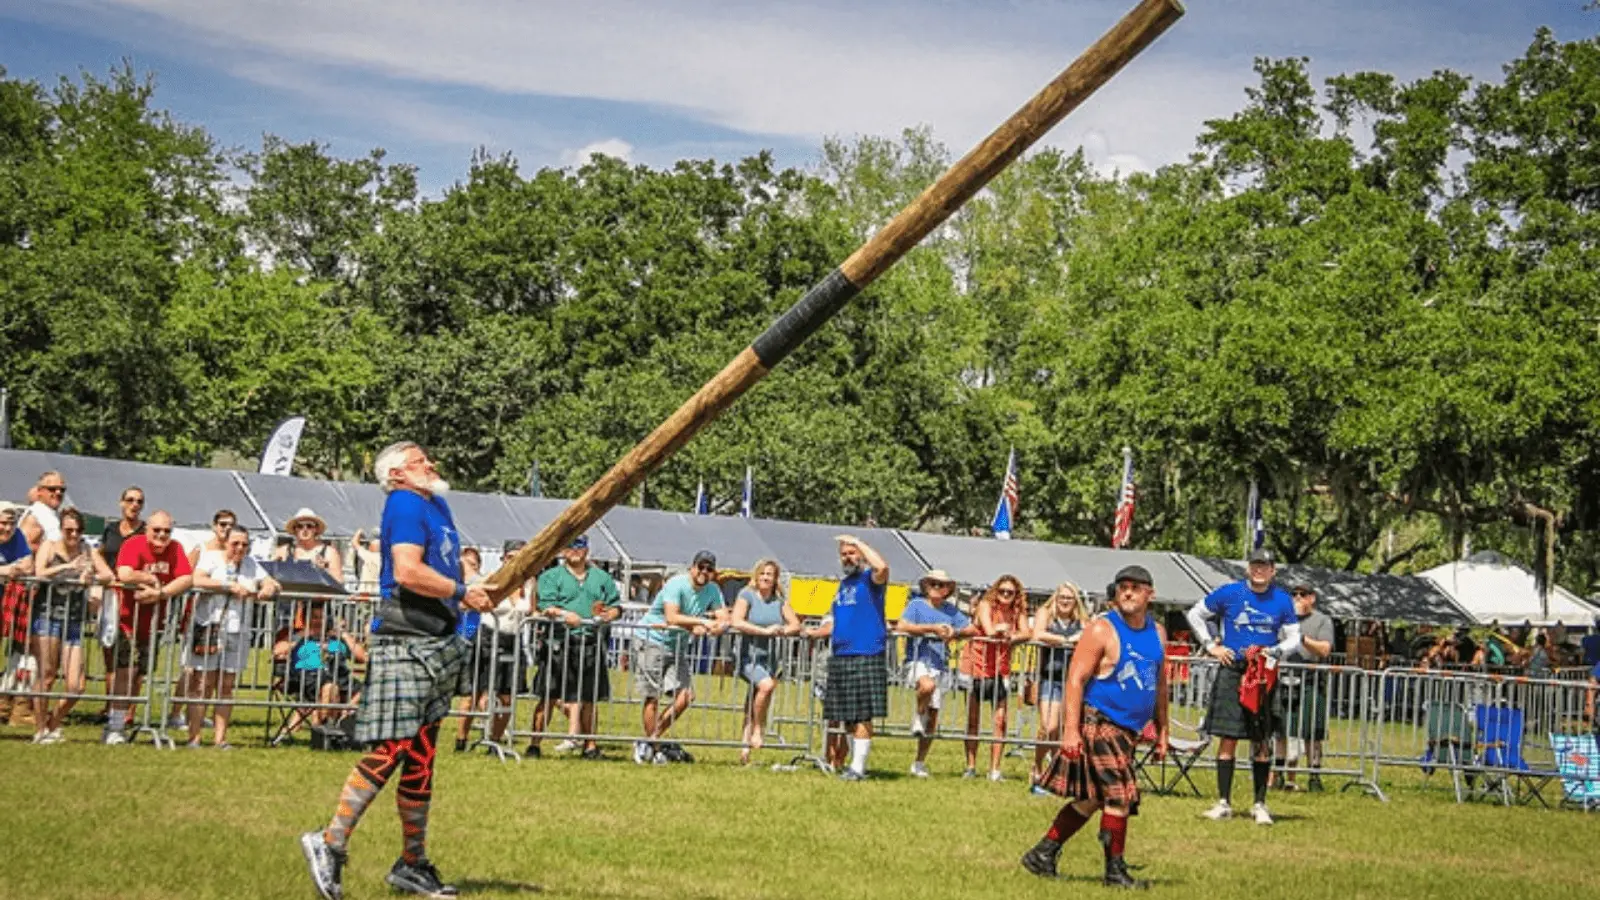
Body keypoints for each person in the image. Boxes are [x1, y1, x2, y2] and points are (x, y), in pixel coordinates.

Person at [301, 441, 493, 900]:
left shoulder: (435, 503)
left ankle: (412, 863)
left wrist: (466, 590)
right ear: (397, 475)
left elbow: (441, 566)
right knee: (394, 746)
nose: (432, 462)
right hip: (406, 638)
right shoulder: (405, 504)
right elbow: (407, 571)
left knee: (421, 753)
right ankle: (329, 841)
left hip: (436, 637)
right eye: (420, 460)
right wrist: (461, 591)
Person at [1021, 565, 1167, 889]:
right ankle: (1115, 872)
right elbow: (1075, 679)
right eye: (1122, 586)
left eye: (1136, 587)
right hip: (1099, 722)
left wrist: (1163, 730)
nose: (1127, 592)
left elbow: (1160, 684)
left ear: (1150, 594)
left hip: (1128, 730)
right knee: (1119, 797)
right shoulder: (1102, 629)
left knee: (1091, 799)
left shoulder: (1157, 633)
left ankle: (1042, 854)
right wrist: (1070, 731)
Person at [1185, 547, 1301, 825]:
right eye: (1255, 565)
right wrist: (1212, 645)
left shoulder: (1282, 600)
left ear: (1273, 570)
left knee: (1262, 738)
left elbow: (1295, 637)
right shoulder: (1230, 593)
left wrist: (1275, 651)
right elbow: (1195, 614)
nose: (1259, 570)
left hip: (1263, 672)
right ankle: (1224, 802)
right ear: (1249, 568)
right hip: (1232, 667)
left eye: (1265, 565)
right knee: (1228, 736)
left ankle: (1260, 804)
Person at [529, 535, 622, 760]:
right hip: (558, 643)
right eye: (569, 545)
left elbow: (616, 606)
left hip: (590, 643)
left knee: (589, 698)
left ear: (587, 549)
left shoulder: (601, 577)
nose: (575, 550)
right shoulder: (551, 576)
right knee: (549, 696)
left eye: (579, 545)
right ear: (562, 550)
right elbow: (545, 606)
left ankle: (590, 746)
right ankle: (534, 744)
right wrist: (563, 614)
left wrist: (610, 614)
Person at [187, 525, 280, 749]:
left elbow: (271, 582)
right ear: (225, 542)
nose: (240, 548)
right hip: (210, 626)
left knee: (227, 685)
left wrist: (268, 587)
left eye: (244, 544)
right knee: (203, 683)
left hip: (238, 631)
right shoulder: (210, 558)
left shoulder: (251, 564)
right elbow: (196, 579)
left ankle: (220, 739)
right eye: (235, 544)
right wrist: (227, 586)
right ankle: (194, 737)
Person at [632, 549, 728, 765]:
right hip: (652, 640)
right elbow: (671, 616)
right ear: (692, 568)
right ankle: (654, 748)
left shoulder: (713, 589)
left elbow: (724, 618)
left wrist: (716, 628)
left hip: (677, 646)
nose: (704, 572)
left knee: (686, 696)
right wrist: (701, 623)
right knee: (652, 696)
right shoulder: (677, 584)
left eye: (709, 568)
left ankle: (650, 741)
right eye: (700, 567)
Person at [106, 510, 194, 744]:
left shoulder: (175, 548)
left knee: (139, 674)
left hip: (153, 623)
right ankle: (113, 726)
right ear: (147, 530)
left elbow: (186, 578)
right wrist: (149, 579)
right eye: (157, 530)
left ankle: (125, 720)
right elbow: (123, 572)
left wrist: (161, 593)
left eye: (166, 531)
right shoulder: (133, 545)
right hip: (126, 619)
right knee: (126, 671)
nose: (161, 535)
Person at [28, 508, 113, 743]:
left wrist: (91, 577)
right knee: (46, 675)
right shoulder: (50, 546)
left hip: (74, 619)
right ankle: (40, 729)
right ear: (61, 530)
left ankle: (52, 723)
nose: (73, 535)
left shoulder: (88, 549)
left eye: (77, 530)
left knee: (76, 685)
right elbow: (39, 572)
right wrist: (67, 568)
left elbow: (108, 575)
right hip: (47, 616)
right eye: (69, 530)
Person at [821, 535, 890, 781]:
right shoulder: (844, 585)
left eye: (852, 553)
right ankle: (853, 765)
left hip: (866, 652)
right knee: (848, 715)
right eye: (844, 554)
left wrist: (858, 542)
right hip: (842, 654)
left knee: (862, 714)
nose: (848, 557)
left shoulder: (870, 580)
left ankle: (858, 768)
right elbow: (833, 620)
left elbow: (882, 567)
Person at [895, 569, 974, 778]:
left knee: (934, 715)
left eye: (942, 585)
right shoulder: (916, 605)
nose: (937, 588)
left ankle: (919, 762)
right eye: (933, 584)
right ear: (926, 586)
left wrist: (954, 632)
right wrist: (931, 628)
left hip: (941, 663)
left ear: (949, 589)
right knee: (926, 687)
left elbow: (972, 629)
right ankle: (919, 713)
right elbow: (902, 625)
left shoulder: (951, 611)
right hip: (917, 659)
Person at [730, 557, 801, 765]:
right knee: (766, 686)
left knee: (754, 700)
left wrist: (782, 630)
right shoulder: (747, 595)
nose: (765, 577)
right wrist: (763, 631)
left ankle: (744, 752)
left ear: (775, 578)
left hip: (770, 657)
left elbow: (796, 624)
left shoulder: (779, 601)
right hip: (747, 656)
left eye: (769, 574)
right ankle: (759, 728)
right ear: (756, 575)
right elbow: (737, 620)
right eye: (762, 573)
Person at [960, 574, 1031, 781]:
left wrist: (1012, 637)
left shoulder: (1017, 611)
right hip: (976, 666)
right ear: (995, 591)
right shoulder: (985, 605)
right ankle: (970, 767)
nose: (1006, 595)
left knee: (1000, 721)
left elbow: (1027, 633)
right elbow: (990, 630)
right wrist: (1002, 631)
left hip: (1001, 670)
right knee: (973, 720)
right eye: (1002, 591)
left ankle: (995, 770)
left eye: (1011, 592)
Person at [1272, 583, 1334, 792]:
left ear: (1312, 598)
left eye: (1303, 594)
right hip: (1283, 680)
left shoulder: (1322, 620)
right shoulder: (1283, 619)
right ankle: (1278, 774)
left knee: (1312, 733)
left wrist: (1302, 639)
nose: (1298, 597)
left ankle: (1314, 777)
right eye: (1294, 594)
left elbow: (1325, 649)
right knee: (1280, 731)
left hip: (1311, 682)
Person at [1031, 582, 1089, 792]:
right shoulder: (1045, 614)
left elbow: (1087, 635)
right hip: (1049, 677)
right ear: (1056, 598)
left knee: (1065, 729)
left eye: (1069, 598)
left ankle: (1055, 775)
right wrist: (1065, 640)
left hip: (1072, 680)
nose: (1065, 601)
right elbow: (1037, 635)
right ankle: (1036, 766)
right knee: (1049, 727)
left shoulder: (1081, 620)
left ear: (1075, 601)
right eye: (1062, 597)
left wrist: (1075, 639)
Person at [276, 601, 367, 733]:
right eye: (314, 617)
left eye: (322, 617)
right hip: (306, 679)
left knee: (367, 689)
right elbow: (277, 652)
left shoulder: (335, 639)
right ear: (306, 619)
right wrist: (303, 636)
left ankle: (343, 717)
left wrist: (345, 636)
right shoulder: (299, 636)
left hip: (339, 678)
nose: (318, 621)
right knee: (330, 687)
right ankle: (323, 728)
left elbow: (362, 657)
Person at [0, 504, 36, 727]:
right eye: (2, 523)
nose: (7, 528)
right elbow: (16, 567)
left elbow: (28, 564)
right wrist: (5, 570)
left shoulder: (18, 537)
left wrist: (15, 569)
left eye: (11, 523)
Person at [275, 507, 344, 587]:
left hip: (318, 598)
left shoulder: (329, 552)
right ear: (295, 529)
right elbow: (270, 577)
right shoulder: (283, 551)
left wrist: (323, 573)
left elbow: (338, 583)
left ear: (315, 529)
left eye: (309, 526)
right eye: (300, 526)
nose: (305, 529)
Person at [18, 470, 67, 549]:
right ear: (40, 491)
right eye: (52, 489)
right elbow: (22, 547)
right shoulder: (36, 515)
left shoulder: (52, 514)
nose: (58, 492)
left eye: (62, 490)